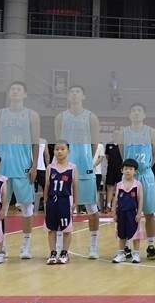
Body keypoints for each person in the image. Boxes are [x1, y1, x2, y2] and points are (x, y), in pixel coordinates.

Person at [0, 81, 40, 259]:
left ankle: (26, 247)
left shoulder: (32, 115)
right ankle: (1, 247)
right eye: (12, 89)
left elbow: (35, 143)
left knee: (27, 208)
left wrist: (34, 166)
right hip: (2, 168)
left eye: (19, 89)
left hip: (23, 168)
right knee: (0, 209)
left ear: (25, 94)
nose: (15, 92)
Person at [55, 85, 102, 259]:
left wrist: (85, 158)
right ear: (68, 96)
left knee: (92, 208)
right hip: (64, 167)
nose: (74, 94)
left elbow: (95, 143)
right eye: (72, 92)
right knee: (62, 208)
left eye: (78, 92)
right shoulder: (60, 117)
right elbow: (59, 142)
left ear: (83, 96)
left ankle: (93, 246)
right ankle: (60, 247)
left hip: (84, 166)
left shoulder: (91, 117)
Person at [116, 104, 155, 259]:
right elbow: (122, 153)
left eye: (139, 110)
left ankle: (151, 246)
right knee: (126, 213)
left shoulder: (151, 132)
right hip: (129, 176)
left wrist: (145, 167)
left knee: (149, 213)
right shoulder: (123, 133)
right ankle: (127, 246)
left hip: (146, 175)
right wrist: (130, 170)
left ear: (144, 115)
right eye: (133, 110)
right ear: (129, 115)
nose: (136, 113)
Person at [43, 142, 78, 265]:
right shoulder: (50, 168)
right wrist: (45, 201)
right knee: (51, 228)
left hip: (65, 200)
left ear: (68, 151)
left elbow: (75, 185)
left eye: (62, 149)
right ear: (54, 151)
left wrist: (75, 202)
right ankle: (53, 253)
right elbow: (47, 185)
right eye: (57, 149)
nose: (59, 151)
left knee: (66, 228)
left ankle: (64, 252)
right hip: (52, 200)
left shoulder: (72, 167)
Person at [112, 158, 144, 264]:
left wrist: (139, 213)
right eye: (126, 169)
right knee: (121, 234)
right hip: (121, 213)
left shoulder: (137, 184)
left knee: (135, 234)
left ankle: (136, 254)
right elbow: (115, 199)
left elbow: (140, 199)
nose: (128, 171)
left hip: (133, 213)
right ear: (122, 170)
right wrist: (114, 212)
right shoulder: (119, 185)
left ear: (135, 171)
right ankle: (121, 254)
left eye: (130, 169)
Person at [103, 142, 123, 214]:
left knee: (120, 187)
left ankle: (119, 205)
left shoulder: (122, 144)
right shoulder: (108, 145)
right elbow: (107, 156)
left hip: (120, 169)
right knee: (109, 187)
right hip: (111, 169)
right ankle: (108, 206)